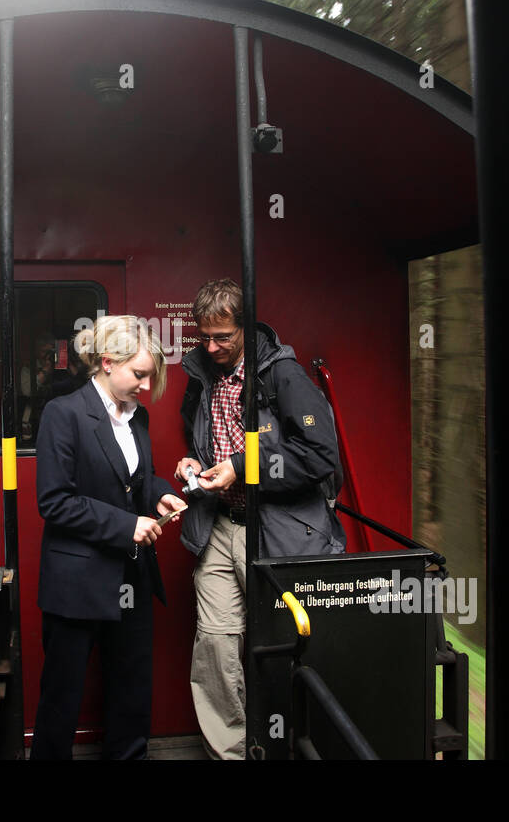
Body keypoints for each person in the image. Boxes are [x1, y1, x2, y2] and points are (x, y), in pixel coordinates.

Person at [173, 279, 344, 760]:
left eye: (222, 337)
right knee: (215, 645)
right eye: (204, 337)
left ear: (245, 327)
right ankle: (230, 753)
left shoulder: (282, 375)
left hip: (277, 531)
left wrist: (244, 467)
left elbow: (320, 455)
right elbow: (206, 439)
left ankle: (287, 746)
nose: (212, 347)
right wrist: (194, 462)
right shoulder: (203, 373)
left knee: (285, 645)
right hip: (220, 526)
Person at [30, 315, 188, 760]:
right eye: (138, 374)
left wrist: (162, 496)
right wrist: (127, 525)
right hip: (77, 579)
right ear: (106, 362)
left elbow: (140, 480)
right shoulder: (63, 414)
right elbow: (55, 502)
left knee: (131, 690)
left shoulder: (139, 419)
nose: (145, 384)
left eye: (150, 376)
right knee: (62, 696)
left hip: (131, 574)